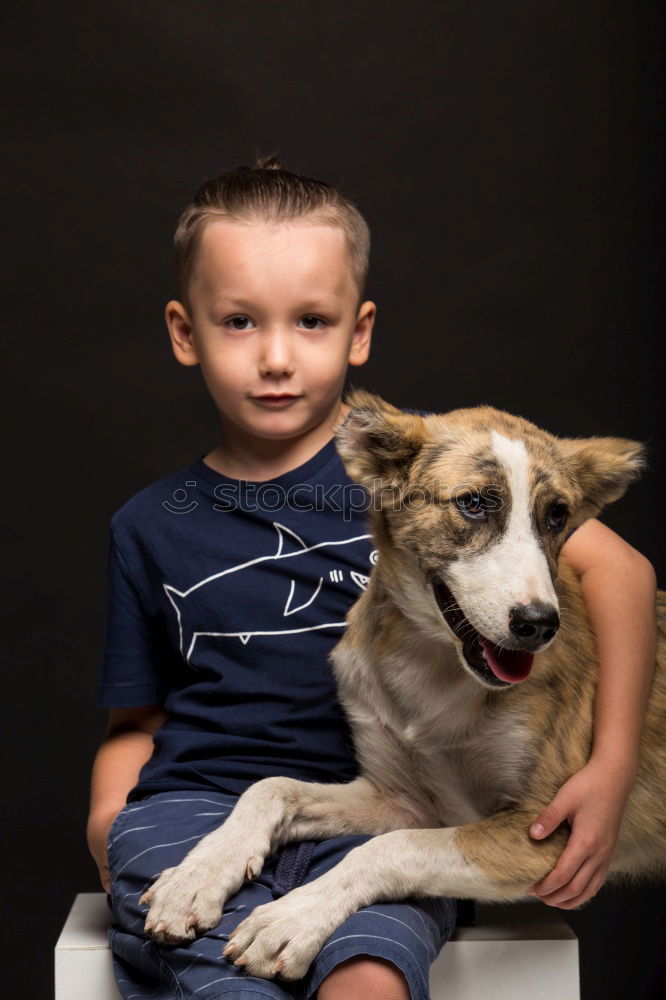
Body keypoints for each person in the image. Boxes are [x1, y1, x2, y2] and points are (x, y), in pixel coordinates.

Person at [87, 156, 658, 1000]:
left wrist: (609, 768)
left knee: (369, 975)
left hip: (382, 814)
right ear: (185, 331)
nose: (278, 357)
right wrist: (109, 826)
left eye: (312, 321)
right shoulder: (152, 524)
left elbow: (623, 569)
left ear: (358, 333)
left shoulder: (430, 462)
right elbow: (135, 716)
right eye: (240, 321)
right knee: (229, 977)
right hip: (219, 800)